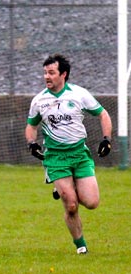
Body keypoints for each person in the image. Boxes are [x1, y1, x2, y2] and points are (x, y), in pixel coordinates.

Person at [25, 54, 112, 254]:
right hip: (55, 157)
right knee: (71, 204)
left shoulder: (79, 94)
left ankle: (66, 186)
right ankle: (81, 246)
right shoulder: (39, 100)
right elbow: (31, 126)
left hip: (79, 154)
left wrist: (106, 139)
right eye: (45, 73)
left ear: (63, 74)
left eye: (51, 73)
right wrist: (31, 143)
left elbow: (103, 114)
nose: (47, 77)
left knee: (91, 202)